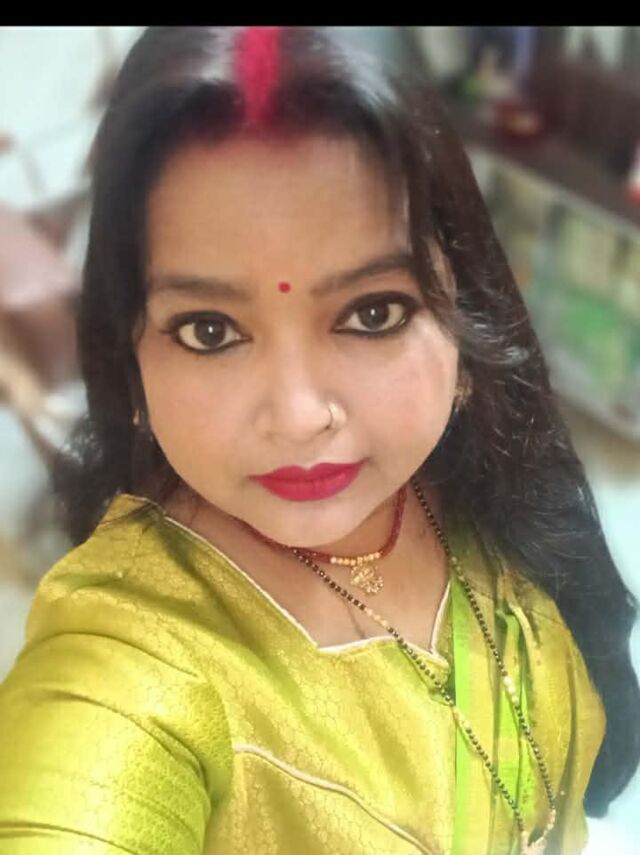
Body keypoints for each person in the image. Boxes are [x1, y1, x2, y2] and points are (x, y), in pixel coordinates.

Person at [0, 26, 638, 855]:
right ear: (131, 357)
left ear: (465, 315)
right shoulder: (128, 663)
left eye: (373, 312)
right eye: (208, 329)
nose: (300, 416)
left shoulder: (482, 479)